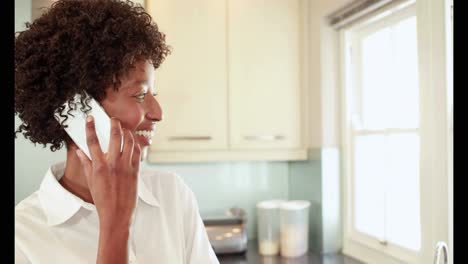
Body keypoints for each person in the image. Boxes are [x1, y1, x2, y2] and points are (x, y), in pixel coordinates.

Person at [14, 0, 219, 263]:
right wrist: (115, 226)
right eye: (140, 94)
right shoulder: (23, 237)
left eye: (152, 94)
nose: (158, 113)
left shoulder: (172, 196)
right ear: (78, 111)